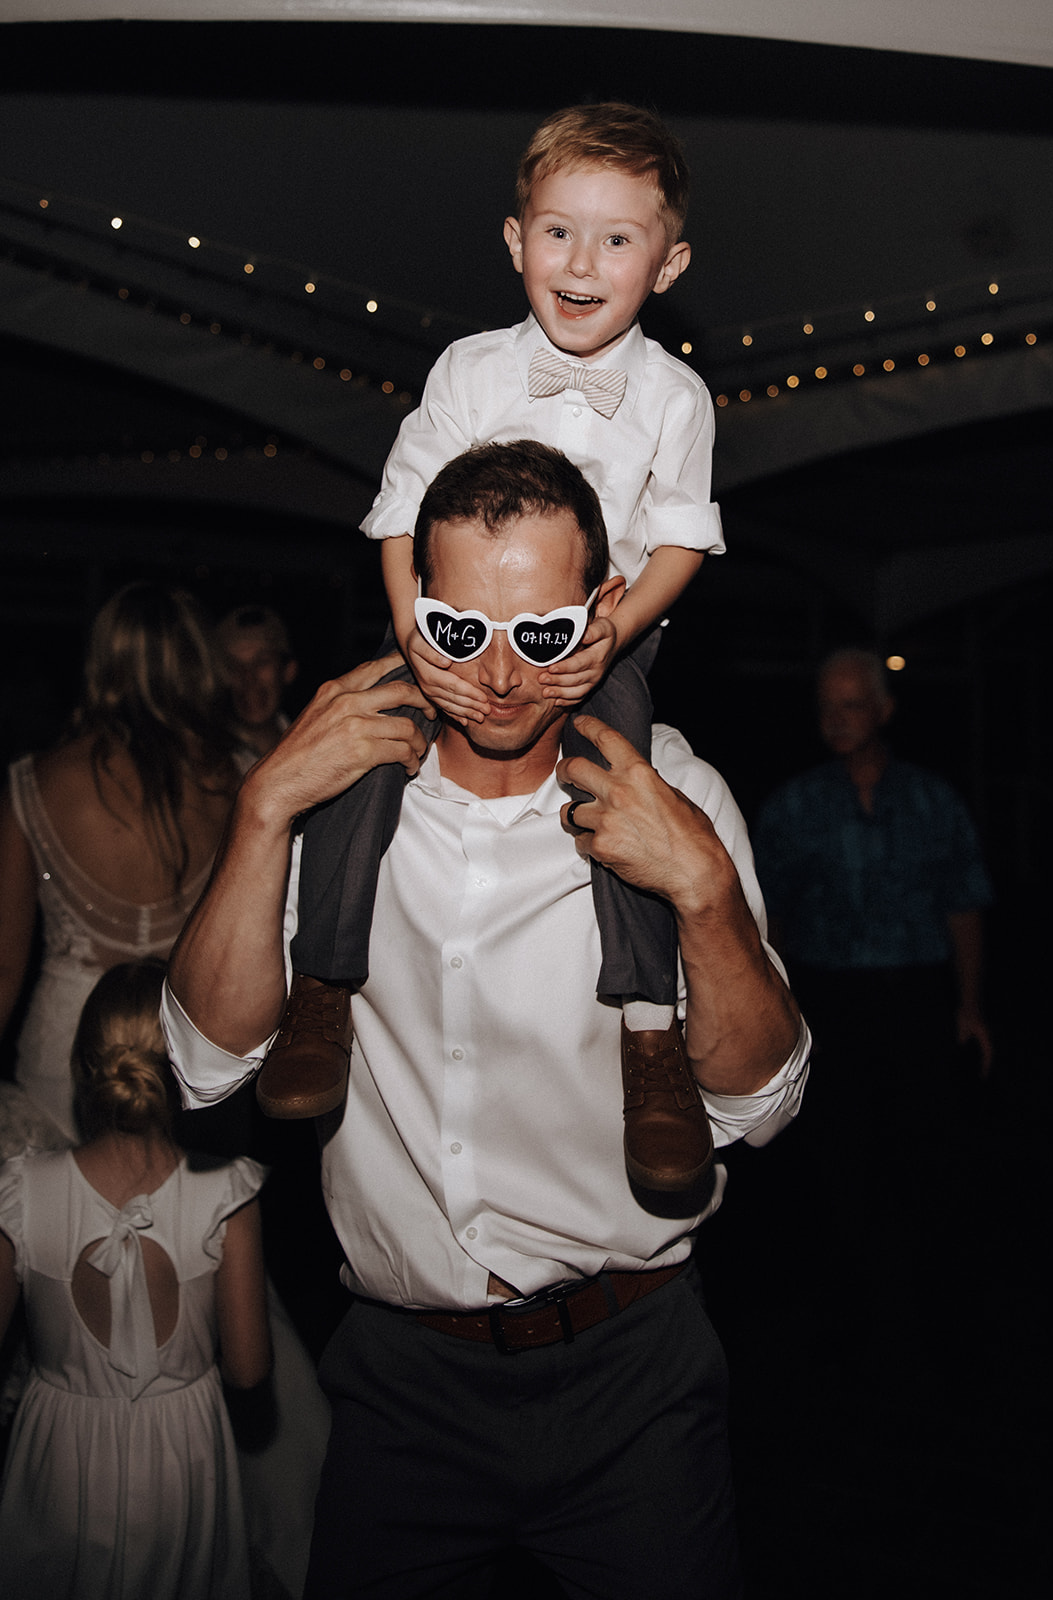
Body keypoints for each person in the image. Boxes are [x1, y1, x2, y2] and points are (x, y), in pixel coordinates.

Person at [164, 441, 809, 1599]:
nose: (503, 677)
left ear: (601, 609)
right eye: (463, 631)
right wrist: (263, 808)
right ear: (414, 610)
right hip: (401, 1386)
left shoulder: (675, 790)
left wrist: (704, 891)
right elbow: (208, 1064)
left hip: (633, 1373)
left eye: (542, 633)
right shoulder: (335, 797)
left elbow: (757, 1105)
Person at [265, 104, 725, 1198]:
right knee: (358, 742)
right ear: (515, 241)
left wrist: (610, 628)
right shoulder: (469, 368)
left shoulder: (675, 397)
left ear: (667, 265)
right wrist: (419, 635)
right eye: (558, 231)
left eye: (618, 239)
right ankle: (322, 983)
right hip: (451, 618)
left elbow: (681, 538)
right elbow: (393, 515)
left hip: (587, 637)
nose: (582, 261)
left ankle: (650, 1036)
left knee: (624, 784)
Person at [0, 959, 271, 1600]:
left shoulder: (22, 1192)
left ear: (82, 1064)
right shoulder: (226, 1194)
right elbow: (251, 1370)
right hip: (184, 1462)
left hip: (56, 1460)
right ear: (182, 1072)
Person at [753, 648, 994, 1338]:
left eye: (851, 704)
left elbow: (964, 904)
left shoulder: (930, 798)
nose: (835, 720)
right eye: (824, 707)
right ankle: (845, 1311)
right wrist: (784, 1014)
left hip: (915, 995)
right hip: (828, 1001)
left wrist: (970, 1007)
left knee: (932, 1155)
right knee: (837, 1158)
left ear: (884, 711)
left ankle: (943, 1311)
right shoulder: (792, 805)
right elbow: (763, 922)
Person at [0, 581, 241, 1148]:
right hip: (191, 1058)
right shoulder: (242, 782)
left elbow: (5, 969)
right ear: (199, 664)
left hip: (64, 1062)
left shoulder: (35, 781)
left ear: (102, 662)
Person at [216, 603, 299, 760]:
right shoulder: (204, 765)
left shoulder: (313, 748)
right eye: (234, 666)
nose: (248, 677)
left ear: (288, 670)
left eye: (261, 662)